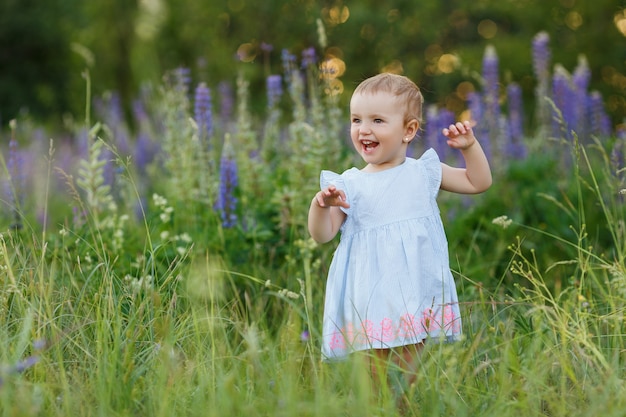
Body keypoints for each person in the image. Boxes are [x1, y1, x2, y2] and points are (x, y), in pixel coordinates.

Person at [307, 73, 492, 391]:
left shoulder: (423, 172)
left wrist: (470, 147)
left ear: (408, 130)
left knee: (407, 378)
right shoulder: (350, 185)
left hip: (416, 293)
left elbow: (478, 182)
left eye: (377, 120)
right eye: (356, 119)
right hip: (370, 298)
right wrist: (320, 206)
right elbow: (322, 235)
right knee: (377, 376)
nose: (363, 129)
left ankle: (402, 404)